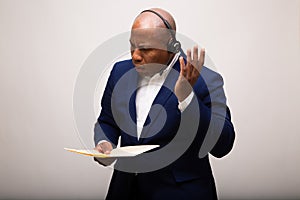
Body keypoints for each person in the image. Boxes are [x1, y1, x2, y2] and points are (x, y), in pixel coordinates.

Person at [93, 8, 235, 200]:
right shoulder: (120, 72)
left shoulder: (205, 79)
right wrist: (104, 143)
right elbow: (107, 121)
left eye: (145, 49)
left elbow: (223, 145)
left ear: (172, 46)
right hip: (125, 191)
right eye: (132, 46)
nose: (135, 56)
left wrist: (187, 98)